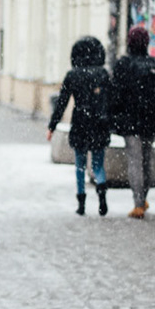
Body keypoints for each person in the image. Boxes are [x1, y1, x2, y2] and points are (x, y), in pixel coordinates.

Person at [110, 25, 155, 219]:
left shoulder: (123, 65)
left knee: (135, 160)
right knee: (146, 160)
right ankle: (143, 199)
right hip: (149, 120)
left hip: (130, 122)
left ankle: (138, 203)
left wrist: (117, 113)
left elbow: (115, 93)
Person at [46, 36, 112, 216]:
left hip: (80, 122)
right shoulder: (103, 74)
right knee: (98, 165)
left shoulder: (72, 75)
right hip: (99, 122)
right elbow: (111, 100)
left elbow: (62, 103)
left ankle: (81, 202)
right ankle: (101, 193)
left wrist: (52, 126)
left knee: (80, 165)